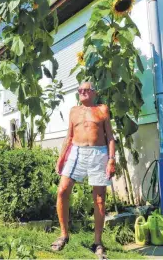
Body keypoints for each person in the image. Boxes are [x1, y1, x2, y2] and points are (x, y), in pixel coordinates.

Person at [51, 81, 116, 258]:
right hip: (76, 151)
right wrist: (61, 157)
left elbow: (110, 137)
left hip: (99, 153)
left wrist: (111, 159)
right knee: (62, 190)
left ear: (94, 92)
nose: (83, 92)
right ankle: (64, 235)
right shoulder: (74, 111)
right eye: (80, 90)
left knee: (100, 199)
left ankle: (97, 242)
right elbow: (69, 136)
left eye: (86, 89)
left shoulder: (102, 109)